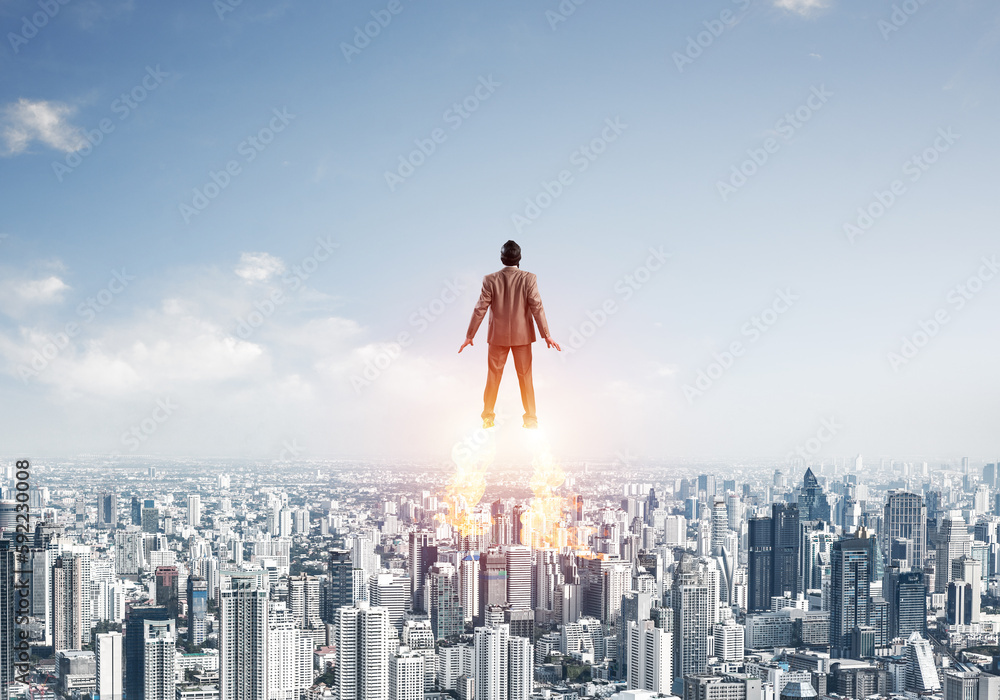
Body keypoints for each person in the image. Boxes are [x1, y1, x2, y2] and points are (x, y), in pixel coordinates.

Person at [460, 240, 560, 429]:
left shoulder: (490, 279)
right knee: (525, 377)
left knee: (493, 376)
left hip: (497, 338)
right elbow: (537, 306)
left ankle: (488, 417)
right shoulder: (529, 278)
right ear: (519, 258)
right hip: (523, 338)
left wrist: (470, 335)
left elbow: (480, 309)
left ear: (501, 257)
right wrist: (546, 334)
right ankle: (530, 419)